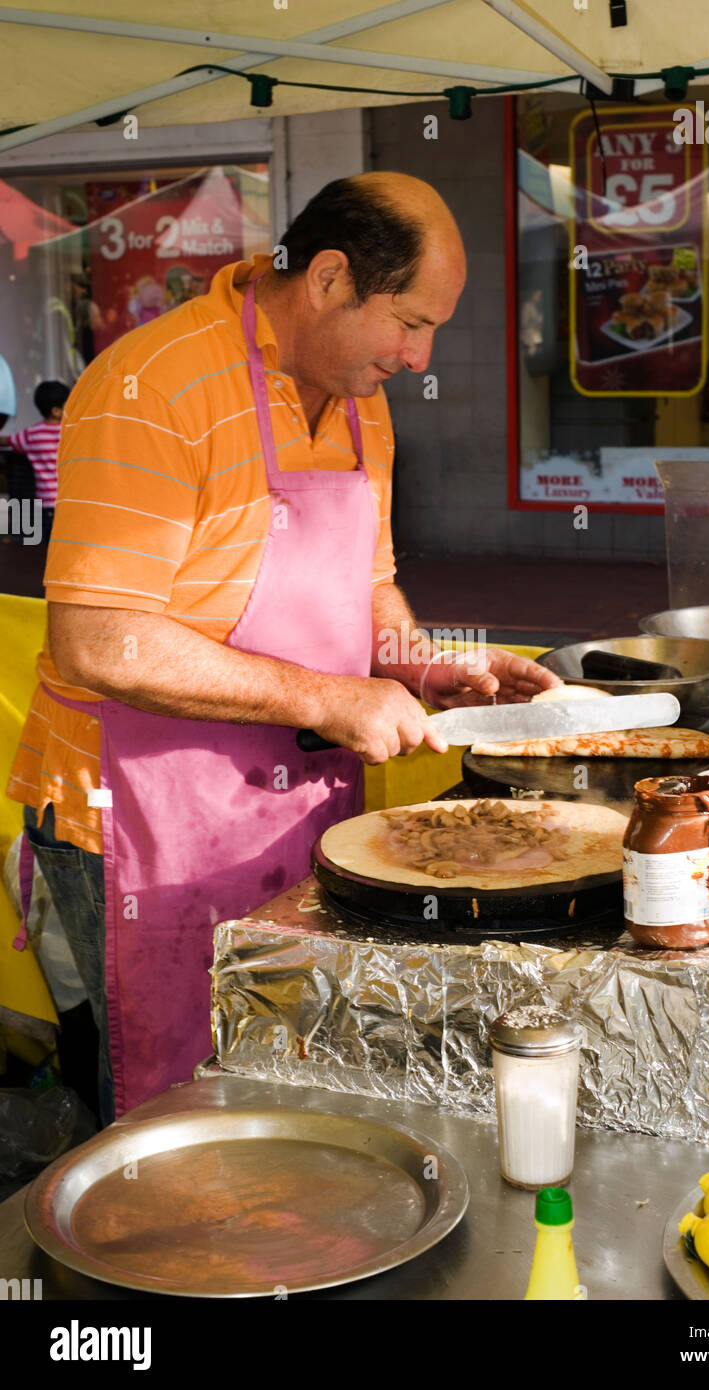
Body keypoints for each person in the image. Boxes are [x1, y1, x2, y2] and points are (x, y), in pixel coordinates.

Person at [8, 173, 560, 1124]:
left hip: (294, 809)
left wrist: (425, 663)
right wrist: (330, 699)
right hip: (138, 820)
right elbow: (100, 639)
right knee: (167, 1099)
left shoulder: (358, 397)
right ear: (332, 277)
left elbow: (366, 585)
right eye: (409, 322)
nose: (419, 356)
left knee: (288, 1074)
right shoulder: (158, 386)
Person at [0, 380, 70, 542]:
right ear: (56, 411)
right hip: (67, 502)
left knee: (48, 547)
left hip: (45, 506)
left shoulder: (33, 435)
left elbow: (9, 441)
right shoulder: (70, 431)